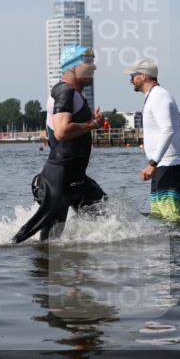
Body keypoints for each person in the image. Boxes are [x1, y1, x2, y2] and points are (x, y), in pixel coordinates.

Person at [13, 45, 106, 243]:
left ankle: (82, 271)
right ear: (72, 67)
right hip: (59, 181)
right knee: (46, 243)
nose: (94, 68)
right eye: (88, 62)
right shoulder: (64, 91)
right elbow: (62, 131)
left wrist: (92, 124)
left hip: (76, 179)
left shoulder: (75, 94)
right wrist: (92, 124)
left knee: (109, 218)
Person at [125, 59, 180, 220]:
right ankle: (163, 245)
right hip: (162, 164)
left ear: (144, 76)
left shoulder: (159, 96)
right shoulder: (152, 96)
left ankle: (178, 244)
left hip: (169, 164)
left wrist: (152, 163)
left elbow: (168, 130)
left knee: (170, 215)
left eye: (133, 75)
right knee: (158, 215)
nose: (131, 79)